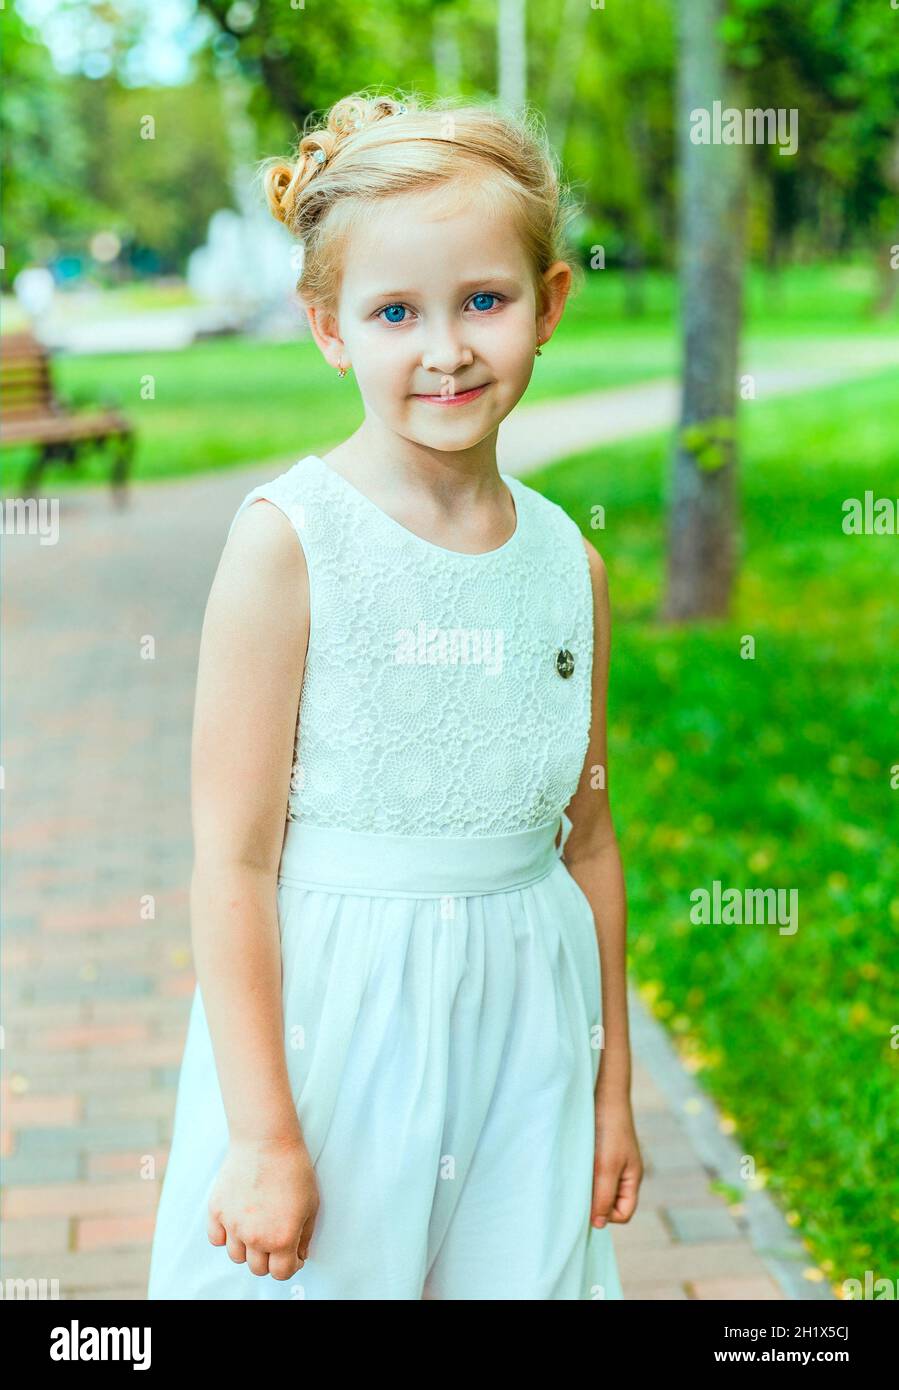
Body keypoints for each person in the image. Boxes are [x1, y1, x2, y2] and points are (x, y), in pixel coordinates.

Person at [147, 88, 642, 1301]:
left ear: (550, 301)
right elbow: (232, 863)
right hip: (336, 1035)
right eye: (393, 312)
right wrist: (264, 1135)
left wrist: (609, 1090)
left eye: (484, 299)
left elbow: (587, 840)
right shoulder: (289, 545)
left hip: (528, 1032)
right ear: (328, 328)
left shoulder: (566, 565)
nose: (446, 348)